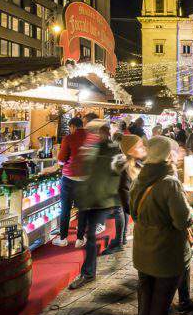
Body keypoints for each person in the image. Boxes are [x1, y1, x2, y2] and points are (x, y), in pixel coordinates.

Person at [131, 137, 193, 315]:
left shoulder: (138, 179)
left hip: (143, 254)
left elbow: (134, 215)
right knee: (159, 312)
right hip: (166, 256)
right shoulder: (169, 183)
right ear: (167, 156)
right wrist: (189, 210)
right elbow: (182, 220)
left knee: (145, 311)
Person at [69, 122, 125, 289]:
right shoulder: (94, 148)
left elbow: (119, 173)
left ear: (104, 132)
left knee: (91, 235)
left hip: (102, 198)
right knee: (90, 235)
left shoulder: (114, 150)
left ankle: (88, 272)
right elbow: (84, 170)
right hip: (92, 197)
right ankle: (89, 272)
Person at [55, 117, 88, 247]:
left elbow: (61, 160)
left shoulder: (68, 138)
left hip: (69, 178)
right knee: (83, 210)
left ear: (73, 126)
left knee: (65, 209)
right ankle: (80, 239)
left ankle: (63, 239)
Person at [119, 135, 146, 247]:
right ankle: (121, 239)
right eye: (139, 146)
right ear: (130, 150)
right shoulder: (126, 168)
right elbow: (124, 191)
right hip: (140, 214)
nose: (143, 147)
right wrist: (135, 213)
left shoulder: (138, 163)